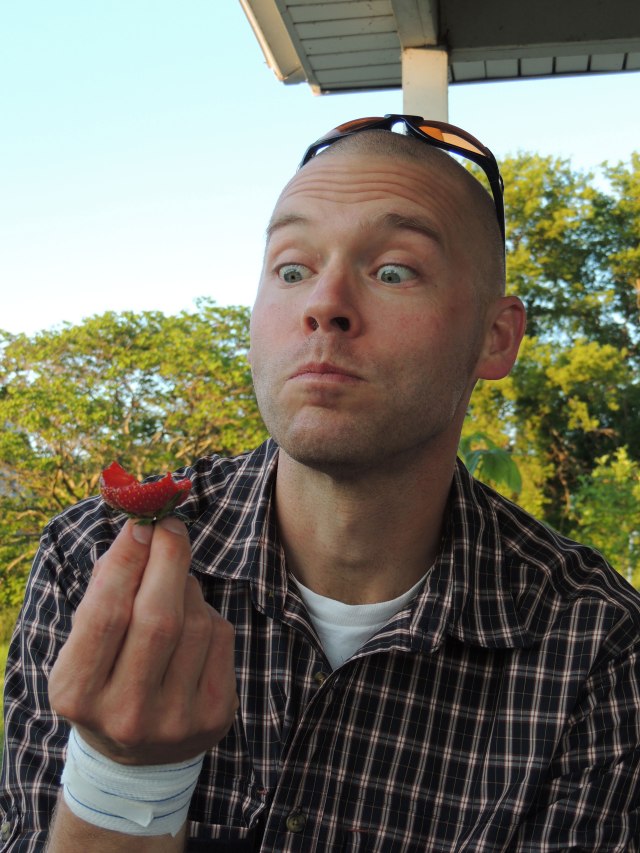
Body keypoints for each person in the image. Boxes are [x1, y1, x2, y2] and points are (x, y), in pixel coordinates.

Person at [2, 114, 640, 852]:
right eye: (292, 267)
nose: (322, 304)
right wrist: (121, 775)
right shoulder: (90, 559)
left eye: (393, 270)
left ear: (496, 338)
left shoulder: (597, 646)